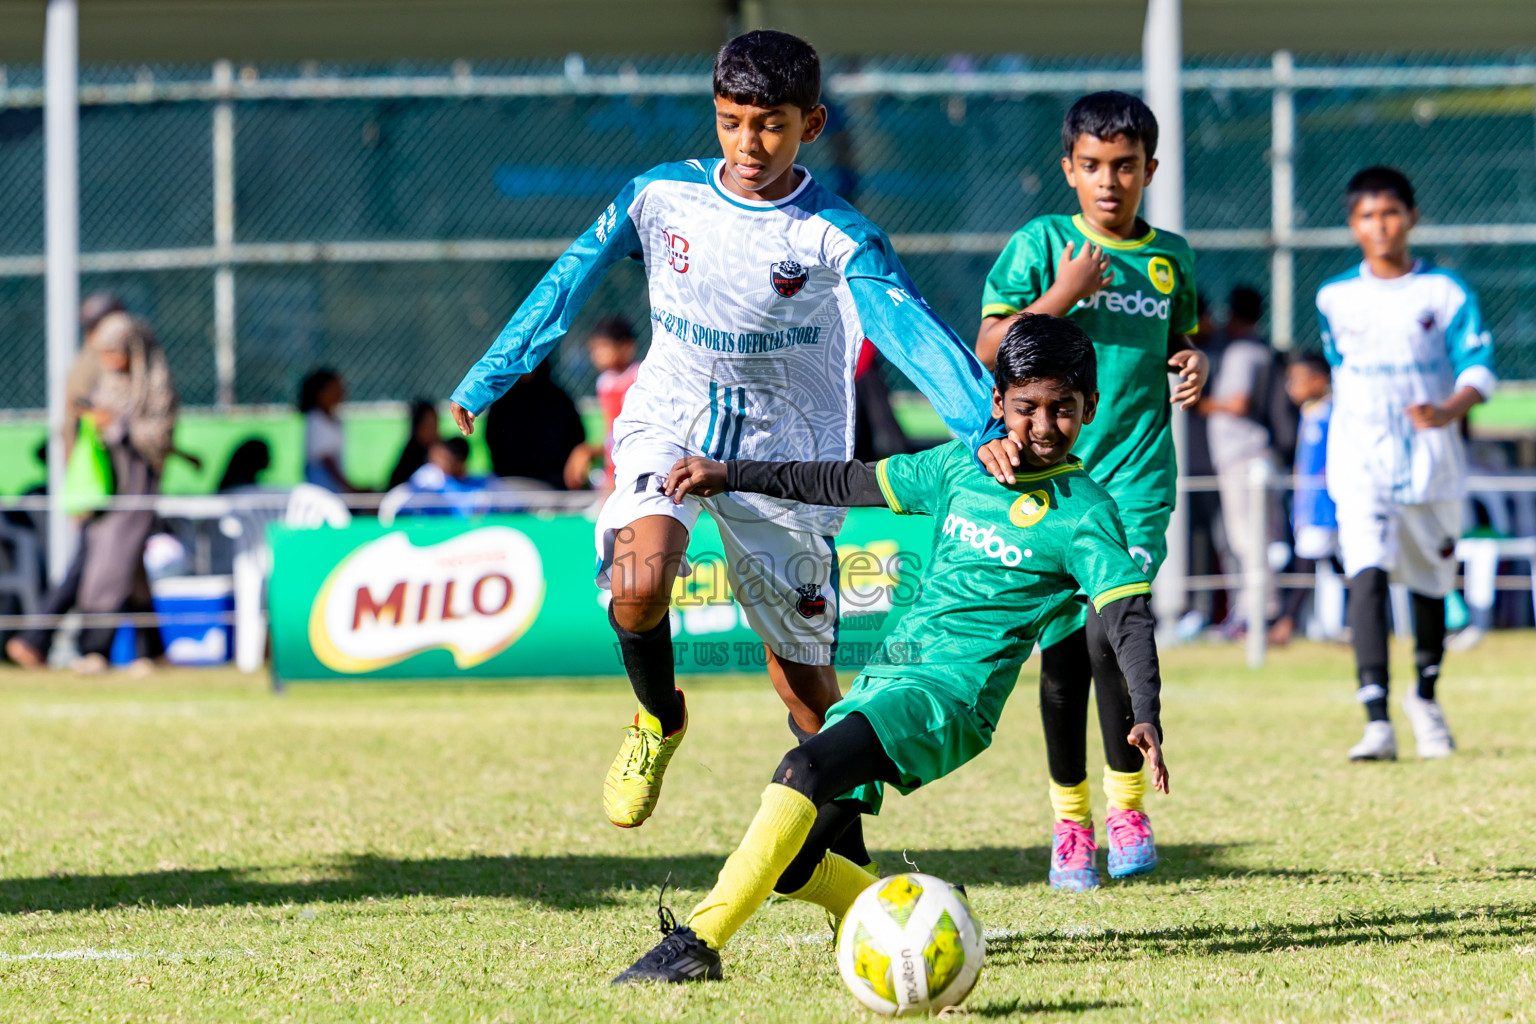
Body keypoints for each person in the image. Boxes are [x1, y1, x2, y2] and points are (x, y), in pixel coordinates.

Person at [446, 31, 1010, 852]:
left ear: (811, 124)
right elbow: (571, 273)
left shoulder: (836, 235)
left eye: (771, 124)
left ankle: (850, 876)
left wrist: (986, 427)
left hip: (786, 456)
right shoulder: (660, 195)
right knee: (639, 581)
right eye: (732, 120)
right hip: (670, 421)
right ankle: (659, 717)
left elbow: (909, 330)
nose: (749, 143)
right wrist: (490, 376)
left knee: (807, 691)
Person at [613, 315, 1169, 984]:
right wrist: (730, 473)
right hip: (889, 682)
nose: (1044, 425)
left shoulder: (1085, 513)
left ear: (1090, 409)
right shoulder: (960, 467)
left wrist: (1145, 709)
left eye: (1063, 409)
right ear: (997, 403)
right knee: (792, 863)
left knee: (801, 767)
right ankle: (927, 915)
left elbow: (1127, 616)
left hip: (949, 700)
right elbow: (843, 481)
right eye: (1027, 407)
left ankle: (696, 944)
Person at [972, 91, 1205, 889]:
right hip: (1055, 487)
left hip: (1136, 483)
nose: (1111, 181)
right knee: (1065, 652)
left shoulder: (1171, 257)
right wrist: (1064, 293)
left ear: (1150, 170)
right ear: (1069, 168)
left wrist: (1191, 360)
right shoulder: (1043, 244)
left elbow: (1178, 338)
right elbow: (990, 348)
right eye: (1095, 166)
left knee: (1113, 632)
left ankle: (1127, 807)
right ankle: (1070, 823)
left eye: (1126, 166)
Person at [1318, 166, 1494, 762]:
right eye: (1367, 216)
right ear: (1353, 224)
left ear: (1411, 218)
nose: (1380, 226)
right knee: (1365, 571)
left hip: (1431, 465)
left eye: (1390, 213)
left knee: (1429, 582)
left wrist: (1447, 410)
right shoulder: (1334, 298)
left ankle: (1425, 698)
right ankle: (1376, 720)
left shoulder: (1443, 292)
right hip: (1360, 461)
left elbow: (1478, 367)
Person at [1198, 285, 1279, 635]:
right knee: (1248, 538)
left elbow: (1238, 403)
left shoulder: (1243, 351)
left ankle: (1257, 613)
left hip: (1244, 454)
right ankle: (1249, 611)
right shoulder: (1257, 348)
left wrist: (1199, 403)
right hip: (1248, 455)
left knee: (1249, 539)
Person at [1268, 352, 1339, 646]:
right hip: (1308, 506)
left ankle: (1287, 623)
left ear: (1319, 380)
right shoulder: (1311, 413)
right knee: (1333, 564)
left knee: (1307, 562)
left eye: (1297, 379)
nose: (1290, 387)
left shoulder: (1332, 415)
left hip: (1325, 507)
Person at [483, 359, 588, 490]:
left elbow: (575, 439)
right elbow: (493, 439)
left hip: (551, 483)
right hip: (509, 480)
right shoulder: (503, 401)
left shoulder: (557, 399)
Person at [564, 317, 642, 490]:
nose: (596, 355)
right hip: (612, 472)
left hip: (636, 469)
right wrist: (590, 450)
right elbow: (610, 434)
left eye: (603, 347)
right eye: (593, 349)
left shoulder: (640, 377)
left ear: (627, 347)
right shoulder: (604, 383)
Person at [299, 369, 359, 493]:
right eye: (334, 388)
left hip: (334, 491)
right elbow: (326, 461)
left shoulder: (334, 419)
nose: (340, 392)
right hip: (321, 492)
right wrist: (350, 487)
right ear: (320, 393)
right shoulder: (316, 419)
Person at [388, 400, 441, 491]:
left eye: (435, 423)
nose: (434, 430)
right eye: (429, 424)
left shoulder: (440, 450)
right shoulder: (410, 458)